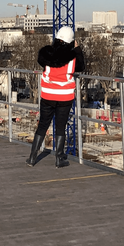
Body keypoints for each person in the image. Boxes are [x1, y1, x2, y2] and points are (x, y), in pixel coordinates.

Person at [26, 26, 85, 169]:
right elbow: (82, 66)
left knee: (42, 125)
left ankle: (32, 158)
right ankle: (59, 159)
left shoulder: (46, 55)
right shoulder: (72, 59)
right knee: (60, 127)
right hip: (65, 97)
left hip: (47, 95)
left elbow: (41, 60)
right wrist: (77, 49)